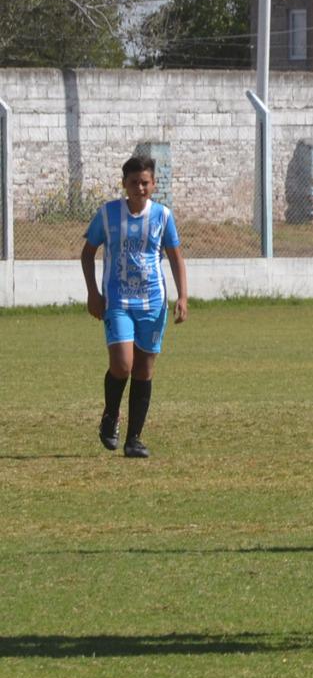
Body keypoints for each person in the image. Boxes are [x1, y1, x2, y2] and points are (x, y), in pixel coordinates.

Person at [80, 156, 188, 459]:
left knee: (144, 370)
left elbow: (176, 257)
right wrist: (92, 293)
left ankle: (134, 440)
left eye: (145, 182)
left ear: (154, 184)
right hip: (117, 302)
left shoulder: (163, 216)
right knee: (123, 364)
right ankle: (111, 415)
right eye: (133, 182)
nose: (139, 187)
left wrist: (182, 297)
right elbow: (87, 253)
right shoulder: (108, 214)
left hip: (153, 304)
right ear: (124, 184)